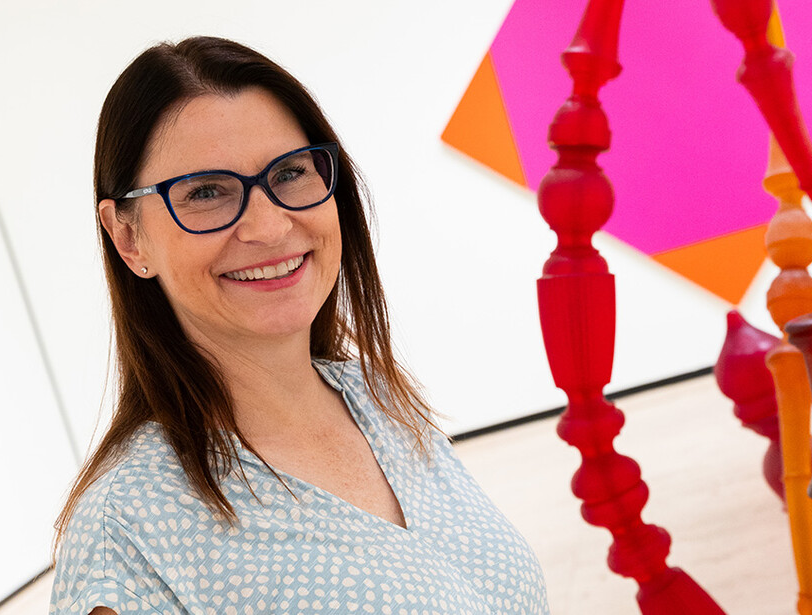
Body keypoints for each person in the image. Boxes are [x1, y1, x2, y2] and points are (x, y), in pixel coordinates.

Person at [49, 36, 549, 615]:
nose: (268, 226)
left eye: (289, 173)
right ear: (128, 237)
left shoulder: (377, 398)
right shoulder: (128, 534)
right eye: (206, 192)